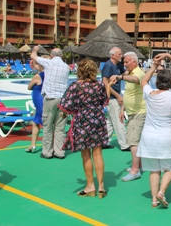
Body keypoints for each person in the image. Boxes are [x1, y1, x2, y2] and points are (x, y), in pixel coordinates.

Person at [137, 59, 171, 208]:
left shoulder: (150, 94)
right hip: (165, 138)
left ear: (157, 82)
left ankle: (154, 200)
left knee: (154, 170)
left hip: (148, 137)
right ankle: (161, 192)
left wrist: (154, 66)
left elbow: (144, 80)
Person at [58, 59, 114, 198]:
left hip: (83, 121)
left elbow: (65, 105)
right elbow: (104, 101)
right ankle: (101, 186)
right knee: (98, 153)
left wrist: (66, 113)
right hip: (98, 120)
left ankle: (90, 185)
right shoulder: (99, 85)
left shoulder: (76, 86)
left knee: (86, 155)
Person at [111, 52, 146, 182]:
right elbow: (129, 94)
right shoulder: (130, 73)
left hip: (139, 112)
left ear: (134, 62)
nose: (124, 64)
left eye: (126, 62)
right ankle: (140, 166)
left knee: (132, 141)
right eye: (124, 62)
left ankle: (135, 170)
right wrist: (122, 109)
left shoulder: (138, 73)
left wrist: (120, 77)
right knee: (135, 140)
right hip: (132, 112)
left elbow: (136, 80)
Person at [30, 46, 69, 159]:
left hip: (50, 98)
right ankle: (59, 152)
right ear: (61, 56)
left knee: (47, 126)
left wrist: (36, 49)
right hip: (63, 99)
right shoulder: (66, 67)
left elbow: (33, 56)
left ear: (51, 56)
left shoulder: (48, 63)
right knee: (60, 127)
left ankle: (47, 152)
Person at [102, 47, 128, 151]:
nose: (121, 56)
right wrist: (117, 96)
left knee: (110, 120)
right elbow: (105, 83)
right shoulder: (109, 65)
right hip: (112, 96)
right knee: (118, 119)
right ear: (113, 55)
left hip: (114, 95)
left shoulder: (118, 65)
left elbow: (124, 74)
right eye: (119, 54)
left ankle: (104, 141)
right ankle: (124, 144)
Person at [25, 61, 45, 153]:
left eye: (36, 64)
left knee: (44, 123)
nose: (34, 66)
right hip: (42, 99)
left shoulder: (38, 76)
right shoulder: (49, 75)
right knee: (36, 122)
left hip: (39, 100)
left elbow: (29, 87)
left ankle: (47, 146)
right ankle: (32, 145)